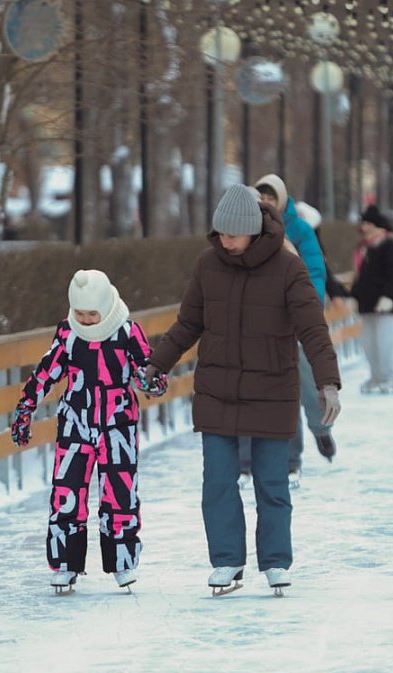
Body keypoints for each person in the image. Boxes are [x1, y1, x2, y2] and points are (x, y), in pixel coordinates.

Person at [144, 185, 341, 596]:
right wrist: (155, 363)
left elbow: (313, 330)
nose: (225, 241)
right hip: (217, 389)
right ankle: (227, 560)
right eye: (220, 233)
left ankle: (275, 562)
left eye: (232, 234)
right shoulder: (208, 265)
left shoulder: (288, 268)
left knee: (271, 481)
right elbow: (187, 324)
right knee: (217, 481)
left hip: (271, 389)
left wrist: (327, 383)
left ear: (253, 230)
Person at [11, 269, 160, 593]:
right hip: (75, 423)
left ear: (106, 307)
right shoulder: (68, 334)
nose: (87, 320)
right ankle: (65, 564)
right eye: (80, 313)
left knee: (120, 496)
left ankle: (123, 562)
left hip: (117, 426)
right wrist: (25, 409)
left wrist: (153, 380)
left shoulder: (127, 331)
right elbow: (46, 373)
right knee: (67, 492)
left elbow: (148, 368)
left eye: (92, 314)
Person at [251, 175, 335, 478]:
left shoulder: (299, 230)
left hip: (294, 320)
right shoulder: (248, 228)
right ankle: (269, 461)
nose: (266, 203)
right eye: (261, 197)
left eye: (271, 198)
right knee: (265, 391)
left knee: (304, 386)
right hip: (262, 324)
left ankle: (319, 430)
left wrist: (305, 308)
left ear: (282, 200)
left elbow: (315, 271)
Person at [351, 204, 393, 393]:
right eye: (363, 223)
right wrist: (354, 295)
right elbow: (360, 275)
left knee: (385, 343)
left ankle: (389, 377)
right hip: (366, 303)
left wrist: (389, 295)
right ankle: (376, 376)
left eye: (368, 223)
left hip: (383, 304)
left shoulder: (387, 244)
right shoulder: (363, 247)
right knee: (369, 344)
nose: (364, 227)